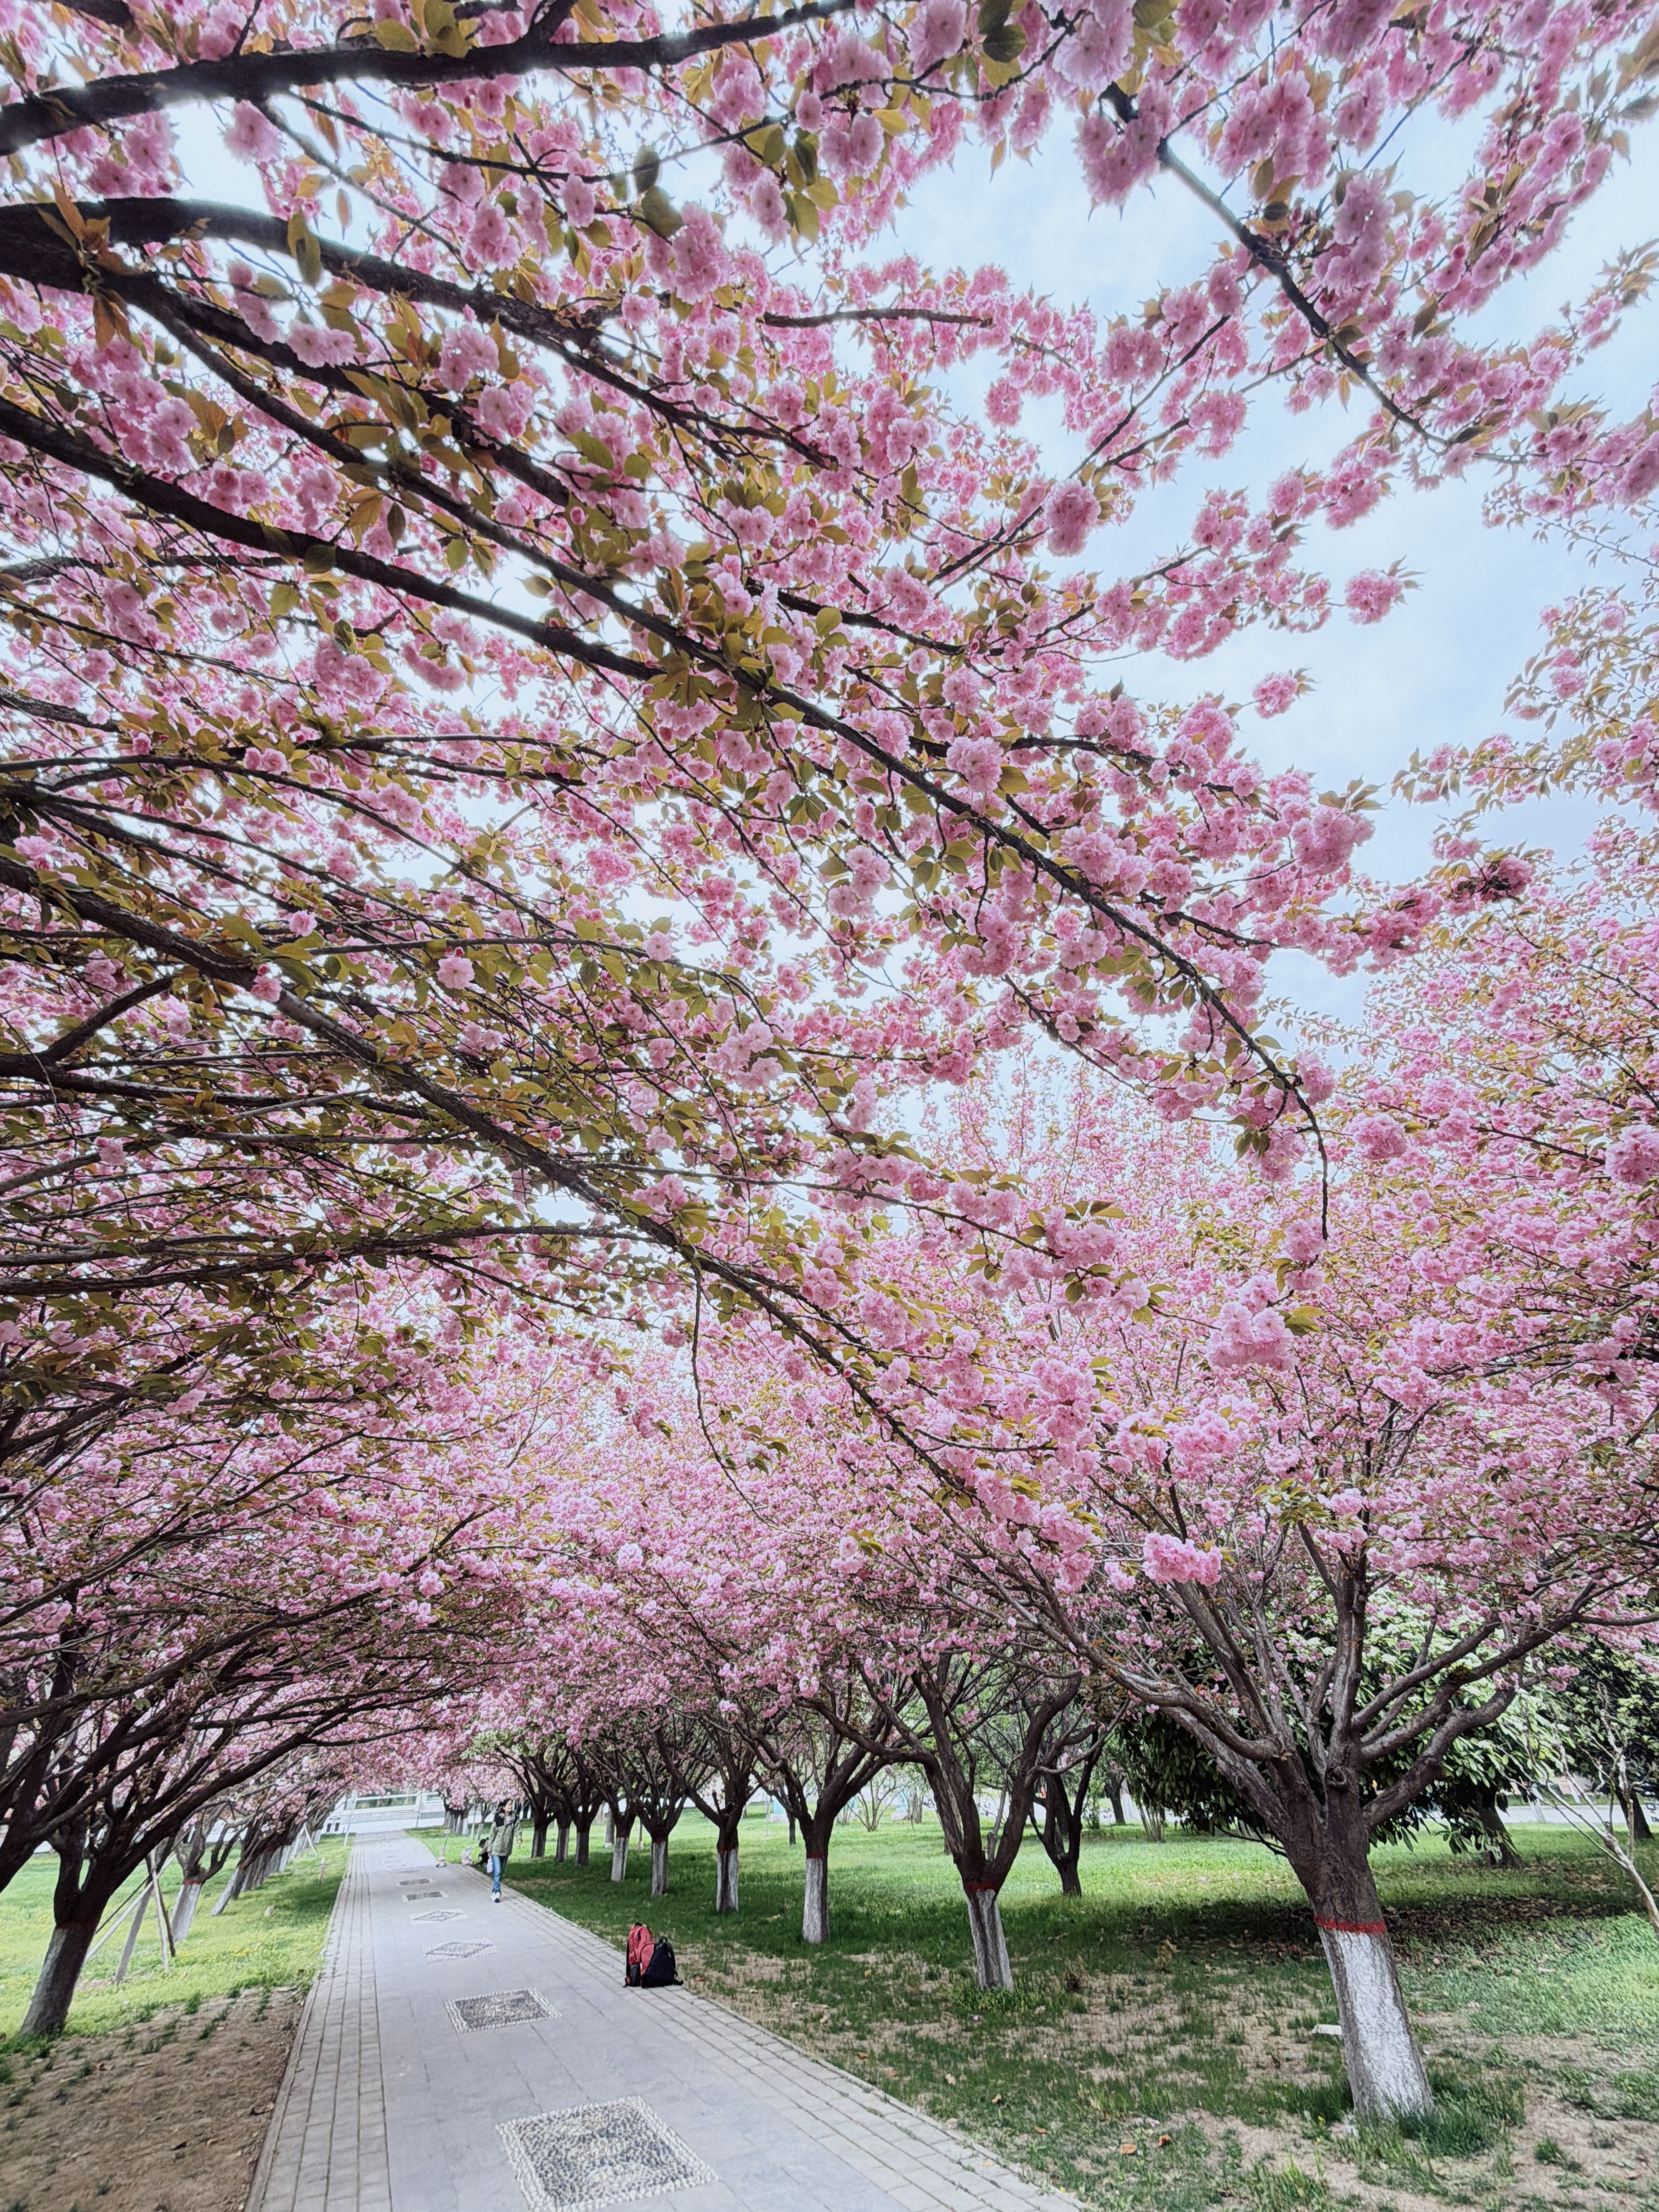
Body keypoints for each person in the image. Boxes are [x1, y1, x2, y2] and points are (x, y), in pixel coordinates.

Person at [487, 1803, 517, 1902]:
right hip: (496, 1850)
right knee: (498, 1871)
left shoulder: (514, 1819)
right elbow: (492, 1835)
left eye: (511, 1805)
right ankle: (498, 1893)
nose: (511, 1806)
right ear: (504, 1807)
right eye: (509, 1805)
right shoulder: (498, 1819)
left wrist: (519, 1839)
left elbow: (518, 1830)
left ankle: (494, 1892)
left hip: (506, 1850)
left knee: (500, 1873)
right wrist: (489, 1849)